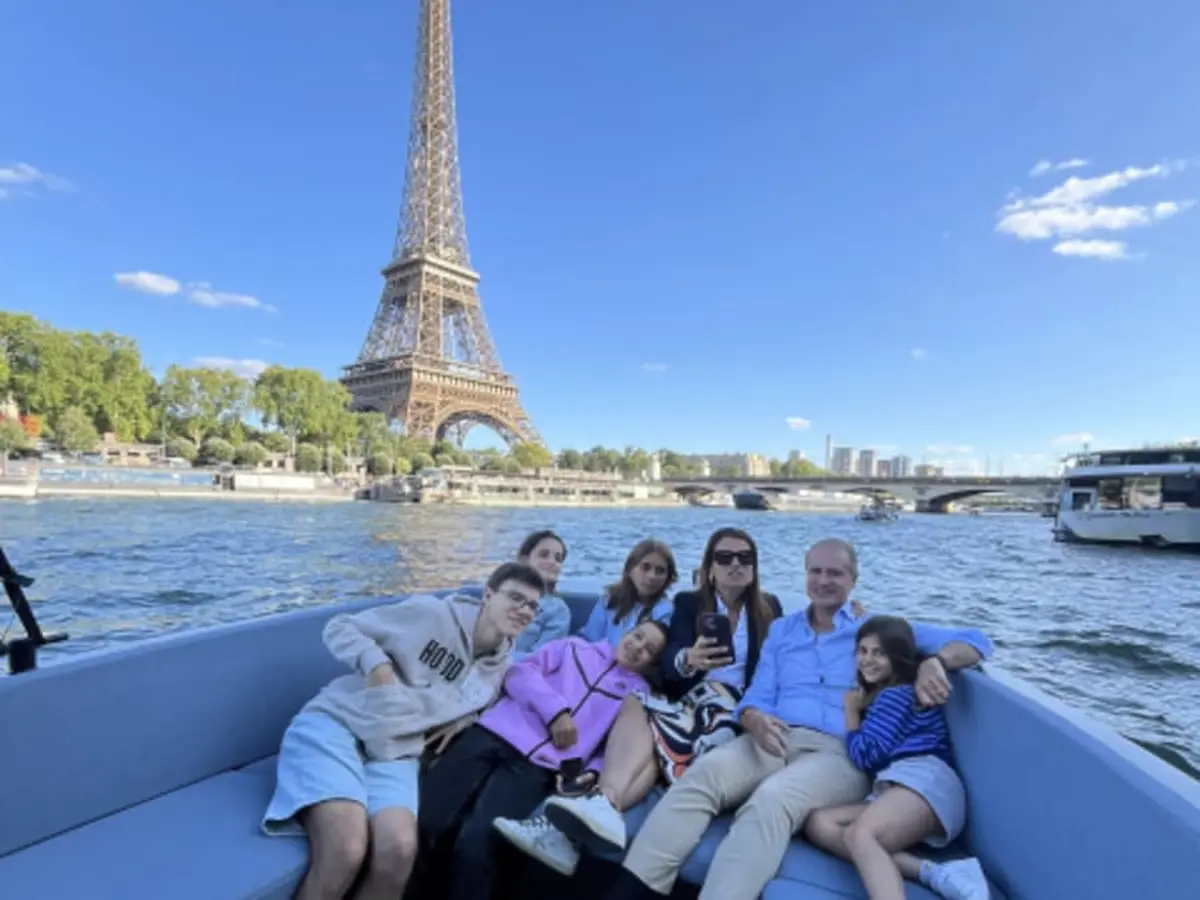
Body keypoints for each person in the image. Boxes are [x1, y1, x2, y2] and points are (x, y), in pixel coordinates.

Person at [602, 537, 994, 900]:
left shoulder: (872, 630)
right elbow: (759, 692)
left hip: (838, 753)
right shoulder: (782, 630)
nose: (824, 581)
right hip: (772, 736)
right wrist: (752, 716)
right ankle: (632, 890)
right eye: (816, 571)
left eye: (835, 573)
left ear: (853, 580)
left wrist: (936, 662)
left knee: (772, 801)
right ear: (805, 576)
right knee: (701, 777)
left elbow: (978, 640)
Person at [494, 528, 782, 875]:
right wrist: (689, 658)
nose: (735, 564)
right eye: (724, 557)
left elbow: (788, 653)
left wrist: (851, 615)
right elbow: (671, 659)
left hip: (733, 705)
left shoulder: (770, 609)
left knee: (662, 741)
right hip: (691, 697)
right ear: (709, 567)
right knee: (635, 702)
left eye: (744, 557)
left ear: (754, 566)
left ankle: (574, 826)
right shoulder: (690, 604)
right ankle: (601, 808)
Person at [260, 562, 545, 900]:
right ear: (488, 595)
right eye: (515, 598)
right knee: (346, 847)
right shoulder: (431, 614)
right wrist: (378, 667)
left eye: (532, 606)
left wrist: (459, 722)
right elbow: (340, 628)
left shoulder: (499, 666)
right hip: (337, 725)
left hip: (396, 751)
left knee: (400, 851)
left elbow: (482, 702)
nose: (523, 610)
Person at [413, 621, 670, 900]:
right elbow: (519, 674)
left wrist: (590, 774)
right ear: (627, 633)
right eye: (637, 636)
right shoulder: (574, 648)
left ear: (653, 664)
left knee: (478, 843)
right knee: (429, 820)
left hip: (537, 769)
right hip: (492, 734)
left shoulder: (636, 696)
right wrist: (555, 711)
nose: (637, 647)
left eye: (649, 650)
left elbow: (613, 749)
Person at [802, 615, 990, 900]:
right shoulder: (886, 693)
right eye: (863, 651)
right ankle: (933, 873)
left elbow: (866, 757)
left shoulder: (895, 696)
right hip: (900, 787)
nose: (867, 660)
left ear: (898, 657)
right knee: (820, 823)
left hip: (925, 782)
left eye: (879, 653)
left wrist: (851, 712)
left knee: (861, 835)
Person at [458, 531, 573, 660]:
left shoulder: (558, 610)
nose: (552, 562)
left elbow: (542, 658)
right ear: (524, 560)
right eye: (544, 555)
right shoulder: (489, 592)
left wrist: (495, 660)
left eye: (558, 559)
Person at [576, 538, 677, 645]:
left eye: (660, 571)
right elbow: (589, 641)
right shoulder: (609, 601)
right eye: (645, 567)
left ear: (668, 578)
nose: (652, 576)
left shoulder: (666, 612)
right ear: (630, 569)